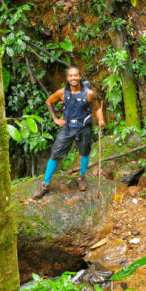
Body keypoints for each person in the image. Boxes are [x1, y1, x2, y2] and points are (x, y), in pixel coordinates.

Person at [33, 67, 105, 199]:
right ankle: (45, 184)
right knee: (55, 154)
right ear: (67, 78)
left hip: (84, 126)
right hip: (67, 127)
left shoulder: (89, 93)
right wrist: (55, 119)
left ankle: (81, 177)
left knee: (85, 151)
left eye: (76, 75)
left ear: (80, 77)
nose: (73, 78)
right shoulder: (62, 93)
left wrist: (101, 119)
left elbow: (97, 108)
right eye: (71, 76)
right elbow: (49, 101)